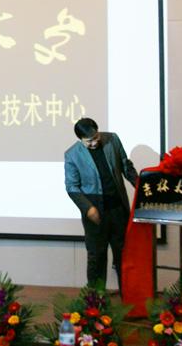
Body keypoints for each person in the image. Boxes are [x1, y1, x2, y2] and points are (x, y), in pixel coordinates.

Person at [64, 117, 138, 289]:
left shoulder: (112, 139)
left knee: (124, 254)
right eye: (89, 141)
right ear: (80, 140)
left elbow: (126, 166)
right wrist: (88, 208)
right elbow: (72, 187)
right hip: (94, 212)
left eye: (96, 137)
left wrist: (140, 185)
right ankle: (96, 300)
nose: (94, 142)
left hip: (118, 208)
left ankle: (129, 296)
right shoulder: (72, 155)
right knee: (96, 257)